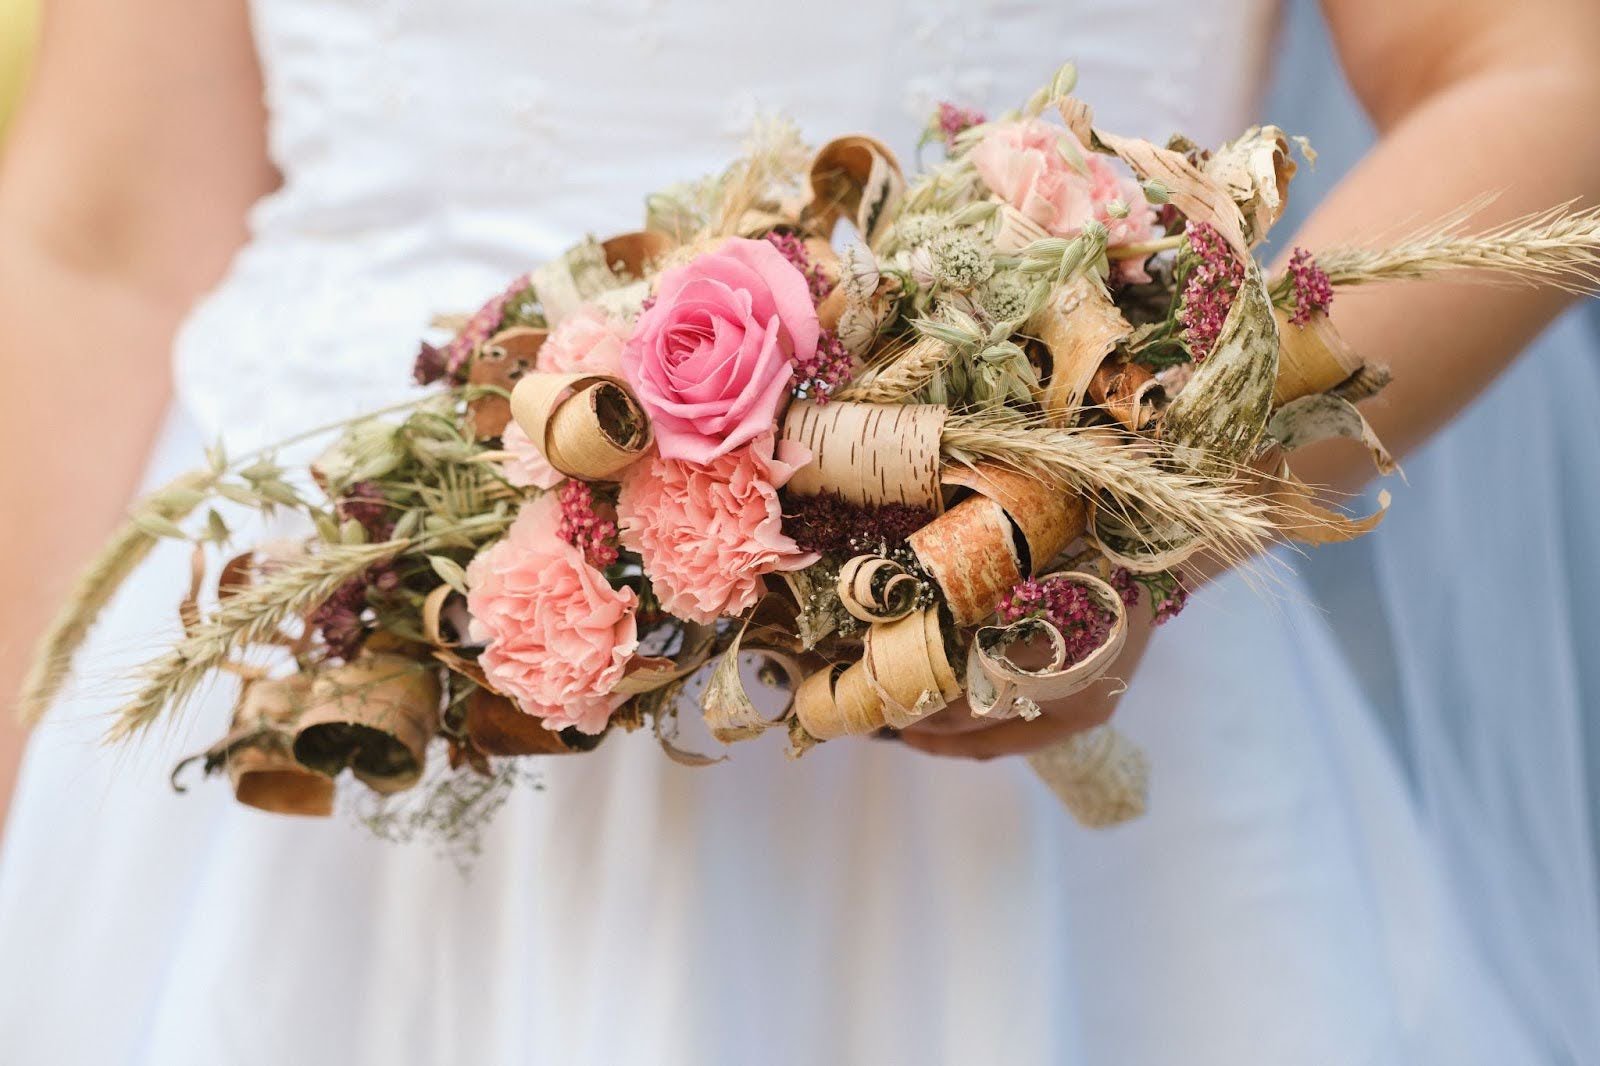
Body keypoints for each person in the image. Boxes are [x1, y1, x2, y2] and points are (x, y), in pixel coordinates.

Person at [1, 0, 1597, 1062]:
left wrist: (1134, 513)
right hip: (320, 728)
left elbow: (1540, 66)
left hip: (1046, 787)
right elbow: (105, 236)